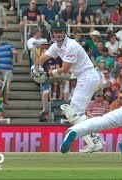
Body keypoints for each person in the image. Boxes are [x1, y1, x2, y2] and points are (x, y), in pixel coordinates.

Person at [35, 19, 105, 153]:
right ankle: (96, 140)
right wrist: (35, 67)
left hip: (87, 76)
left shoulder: (71, 45)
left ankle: (94, 142)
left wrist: (46, 75)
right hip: (84, 77)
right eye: (55, 32)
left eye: (60, 31)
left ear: (65, 32)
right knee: (76, 113)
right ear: (52, 34)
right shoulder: (56, 46)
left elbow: (65, 69)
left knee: (74, 111)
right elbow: (43, 58)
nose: (58, 34)